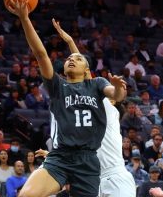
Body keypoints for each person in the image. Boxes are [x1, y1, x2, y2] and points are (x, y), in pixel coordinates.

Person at [8, 0, 126, 197]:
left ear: (87, 69)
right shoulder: (57, 86)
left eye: (78, 58)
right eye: (69, 58)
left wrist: (118, 87)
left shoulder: (96, 84)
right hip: (60, 156)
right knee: (26, 195)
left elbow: (116, 94)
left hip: (88, 161)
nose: (72, 59)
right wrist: (25, 18)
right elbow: (41, 53)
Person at [52, 18, 135, 197]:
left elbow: (86, 74)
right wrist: (70, 42)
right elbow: (83, 70)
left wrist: (70, 43)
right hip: (94, 177)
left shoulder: (108, 107)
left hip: (115, 177)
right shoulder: (94, 106)